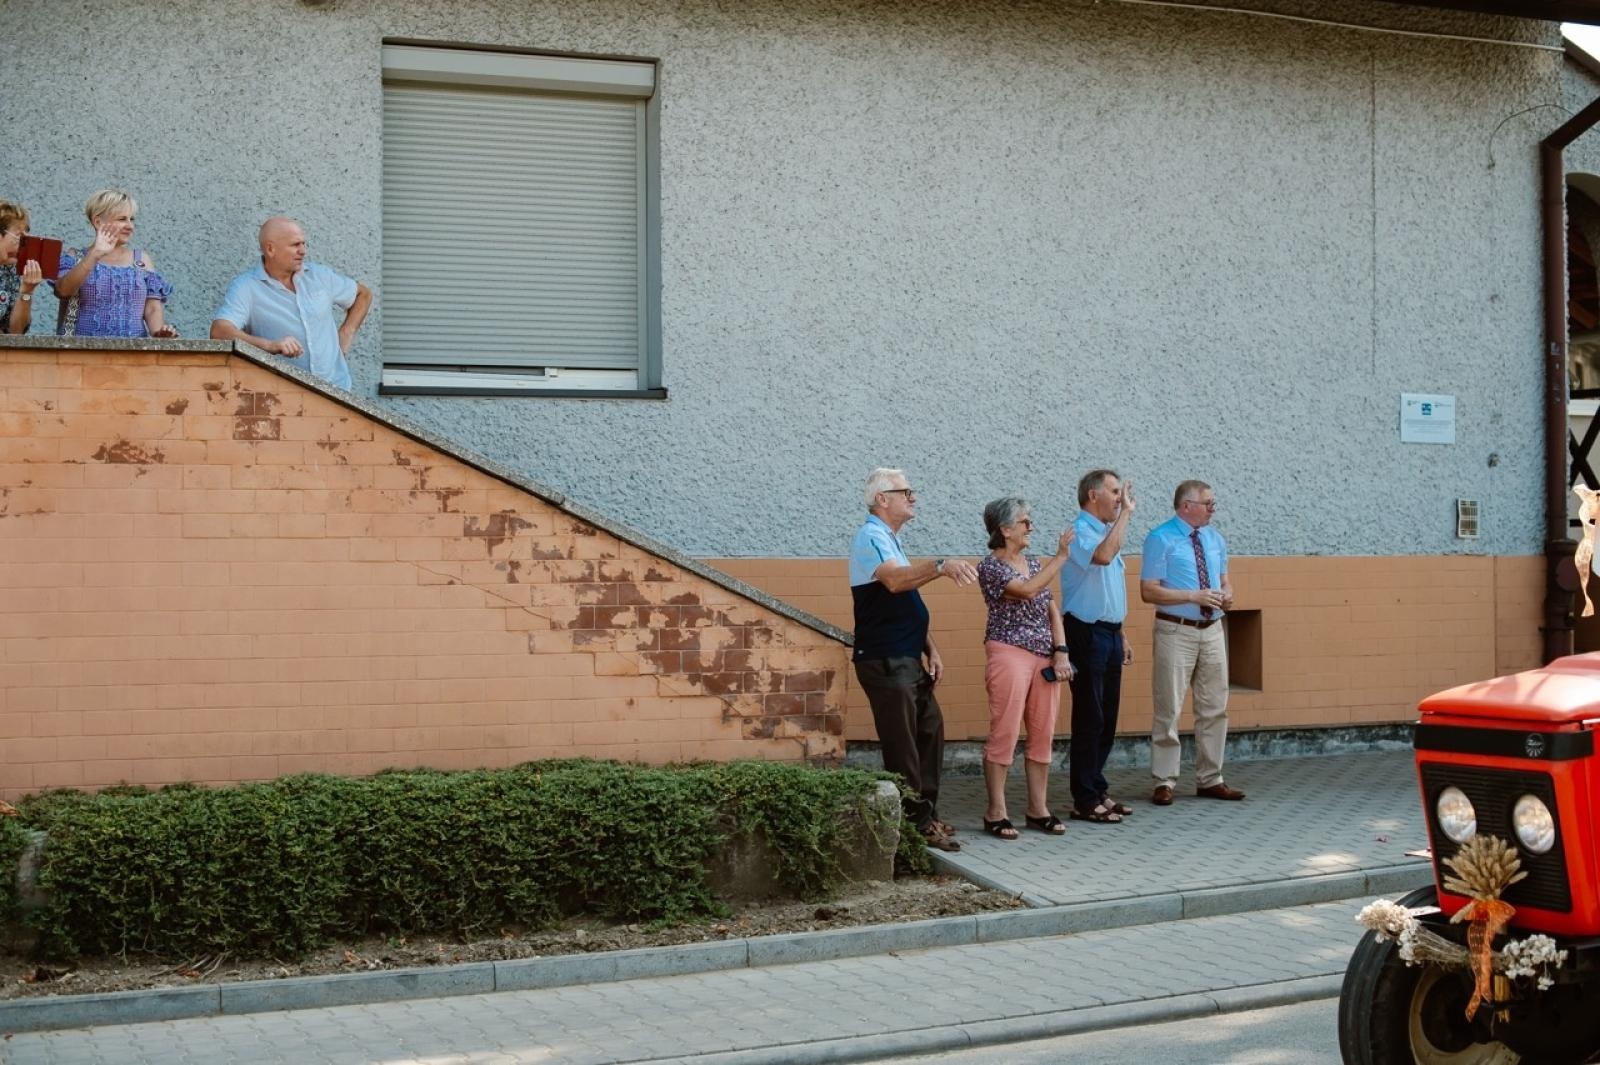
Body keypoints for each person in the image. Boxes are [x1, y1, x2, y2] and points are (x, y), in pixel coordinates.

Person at [850, 467, 978, 852]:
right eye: (905, 491)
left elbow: (907, 602)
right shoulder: (870, 536)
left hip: (907, 656)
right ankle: (913, 826)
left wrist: (930, 647)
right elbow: (895, 581)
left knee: (929, 733)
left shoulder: (890, 540)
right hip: (885, 658)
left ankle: (926, 814)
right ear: (881, 500)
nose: (913, 497)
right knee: (903, 746)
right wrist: (940, 565)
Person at [1139, 480, 1244, 805]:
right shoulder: (1160, 538)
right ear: (1186, 506)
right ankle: (1164, 780)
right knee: (1168, 707)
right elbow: (1149, 590)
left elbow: (1225, 581)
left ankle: (1211, 778)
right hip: (1175, 629)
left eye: (1213, 502)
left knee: (1215, 707)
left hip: (1212, 628)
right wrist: (1192, 596)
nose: (1213, 508)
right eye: (1207, 503)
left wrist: (1227, 595)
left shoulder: (1214, 539)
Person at [976, 497, 1074, 840]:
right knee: (1004, 730)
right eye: (1024, 522)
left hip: (1044, 656)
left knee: (1043, 730)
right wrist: (1061, 557)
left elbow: (1051, 610)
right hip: (1008, 651)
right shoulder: (990, 567)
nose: (1030, 526)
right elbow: (1027, 591)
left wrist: (1061, 652)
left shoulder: (1033, 563)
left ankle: (1038, 809)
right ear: (1004, 530)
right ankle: (996, 812)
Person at [210, 216, 372, 390]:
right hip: (284, 398)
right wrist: (270, 345)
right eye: (295, 245)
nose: (303, 251)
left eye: (304, 244)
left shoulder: (319, 275)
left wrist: (346, 333)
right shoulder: (246, 287)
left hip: (337, 392)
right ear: (270, 249)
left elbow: (363, 295)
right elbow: (220, 331)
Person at [1060, 469, 1135, 825]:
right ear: (1093, 495)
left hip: (1108, 633)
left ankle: (1097, 786)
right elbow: (1102, 558)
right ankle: (1084, 797)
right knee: (1090, 717)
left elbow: (1109, 590)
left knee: (1107, 716)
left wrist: (1121, 632)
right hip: (1085, 633)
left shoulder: (1108, 532)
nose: (1121, 498)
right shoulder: (1080, 533)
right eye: (1115, 491)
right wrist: (1126, 516)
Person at [52, 189, 177, 338]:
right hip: (81, 353)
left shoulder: (141, 261)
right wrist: (94, 255)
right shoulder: (75, 257)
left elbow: (152, 308)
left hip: (133, 354)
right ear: (98, 222)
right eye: (122, 219)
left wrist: (159, 333)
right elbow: (63, 291)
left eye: (132, 219)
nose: (130, 226)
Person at [0, 201, 41, 335]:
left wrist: (26, 292)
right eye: (19, 236)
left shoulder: (11, 270)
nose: (24, 245)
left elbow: (16, 332)